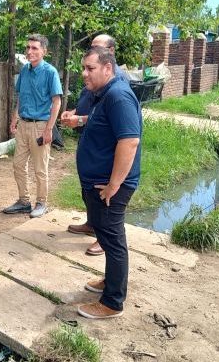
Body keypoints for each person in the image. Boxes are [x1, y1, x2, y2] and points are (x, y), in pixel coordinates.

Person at [75, 46, 142, 319]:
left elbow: (129, 141)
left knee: (113, 241)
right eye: (84, 68)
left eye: (90, 68)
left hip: (110, 186)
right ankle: (110, 282)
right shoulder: (103, 95)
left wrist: (114, 185)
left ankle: (112, 302)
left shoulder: (118, 96)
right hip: (99, 183)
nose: (84, 74)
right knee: (104, 234)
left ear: (107, 68)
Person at [60, 34, 127, 256]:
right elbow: (89, 106)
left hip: (104, 150)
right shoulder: (94, 79)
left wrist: (79, 120)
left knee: (105, 201)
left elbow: (110, 121)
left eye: (98, 49)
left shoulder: (118, 85)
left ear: (111, 55)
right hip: (89, 141)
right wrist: (75, 113)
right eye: (91, 48)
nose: (92, 53)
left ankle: (103, 237)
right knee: (88, 191)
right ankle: (92, 224)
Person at [3, 34, 62, 218]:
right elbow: (21, 97)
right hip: (23, 125)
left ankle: (41, 203)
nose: (30, 51)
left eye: (34, 48)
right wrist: (15, 118)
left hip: (40, 126)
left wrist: (49, 129)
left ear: (44, 51)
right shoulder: (25, 71)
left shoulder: (50, 72)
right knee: (18, 165)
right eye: (28, 47)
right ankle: (23, 201)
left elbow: (57, 102)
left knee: (40, 169)